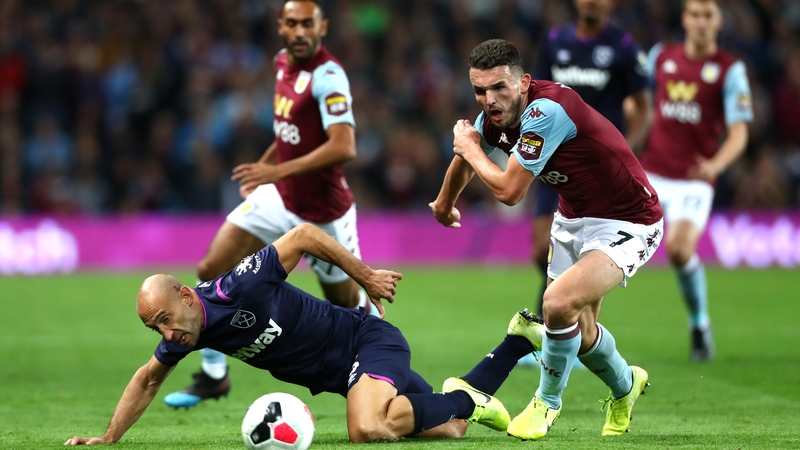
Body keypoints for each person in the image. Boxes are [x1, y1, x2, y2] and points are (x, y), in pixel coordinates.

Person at [64, 223, 546, 445]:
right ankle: (516, 340)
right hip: (347, 376)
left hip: (368, 342)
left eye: (165, 319)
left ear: (187, 297)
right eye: (155, 328)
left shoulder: (240, 287)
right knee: (448, 430)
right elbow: (148, 379)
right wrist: (108, 438)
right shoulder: (184, 333)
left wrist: (364, 276)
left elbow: (302, 235)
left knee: (368, 429)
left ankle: (467, 399)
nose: (166, 334)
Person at [429, 39, 664, 440]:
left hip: (629, 220)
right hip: (573, 217)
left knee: (556, 304)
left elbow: (509, 191)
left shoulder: (545, 112)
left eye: (499, 87)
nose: (489, 99)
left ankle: (546, 404)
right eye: (480, 91)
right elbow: (467, 156)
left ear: (523, 82)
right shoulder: (497, 115)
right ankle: (626, 386)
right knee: (581, 331)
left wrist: (469, 148)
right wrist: (443, 202)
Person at [165, 0, 375, 408]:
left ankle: (380, 365)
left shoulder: (328, 76)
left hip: (325, 211)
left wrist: (275, 173)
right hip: (279, 194)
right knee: (210, 269)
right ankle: (213, 375)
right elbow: (289, 131)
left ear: (322, 27)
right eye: (292, 23)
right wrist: (263, 168)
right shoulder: (282, 63)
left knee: (348, 308)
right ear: (281, 26)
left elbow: (344, 145)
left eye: (307, 25)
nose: (299, 32)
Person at [639, 0, 752, 362]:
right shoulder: (659, 57)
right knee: (605, 244)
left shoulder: (729, 70)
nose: (701, 22)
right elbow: (639, 106)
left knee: (679, 249)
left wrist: (716, 164)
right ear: (685, 19)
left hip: (693, 179)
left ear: (718, 21)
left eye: (708, 15)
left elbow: (739, 132)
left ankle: (699, 323)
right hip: (651, 172)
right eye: (695, 15)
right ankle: (580, 335)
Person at [529, 0, 652, 320]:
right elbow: (535, 94)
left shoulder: (623, 47)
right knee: (541, 247)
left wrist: (625, 149)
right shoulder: (556, 41)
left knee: (585, 249)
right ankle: (564, 318)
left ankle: (552, 325)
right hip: (554, 160)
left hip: (598, 168)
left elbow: (643, 107)